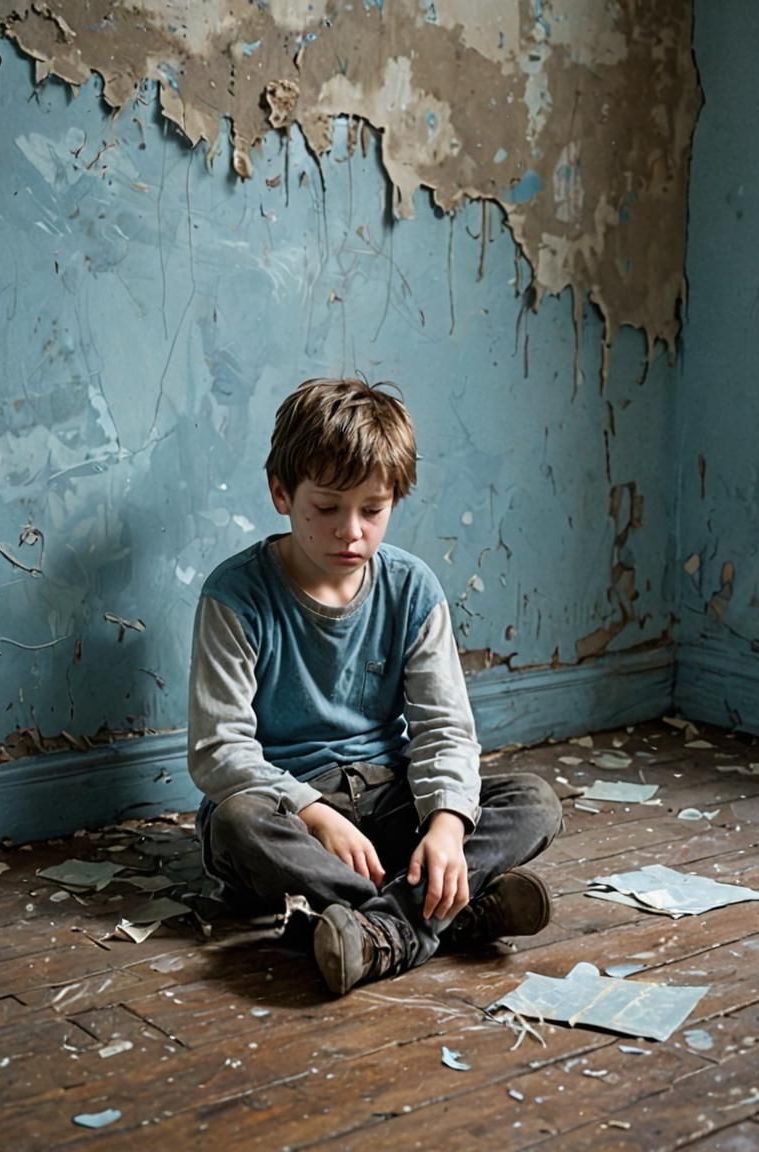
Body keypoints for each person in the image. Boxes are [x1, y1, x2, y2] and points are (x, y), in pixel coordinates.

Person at [187, 377, 561, 995]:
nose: (351, 531)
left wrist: (443, 826)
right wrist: (313, 815)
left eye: (372, 509)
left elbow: (443, 729)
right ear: (282, 493)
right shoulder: (235, 596)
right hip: (291, 814)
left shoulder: (412, 589)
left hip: (390, 801)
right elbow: (218, 750)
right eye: (327, 508)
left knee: (534, 800)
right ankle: (447, 914)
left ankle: (385, 929)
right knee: (234, 824)